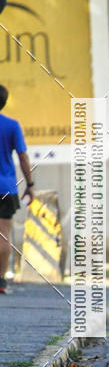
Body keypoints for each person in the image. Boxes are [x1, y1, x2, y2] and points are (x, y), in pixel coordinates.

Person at [0, 85, 34, 293]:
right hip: (6, 187)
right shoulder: (12, 126)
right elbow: (22, 156)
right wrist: (30, 185)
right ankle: (1, 281)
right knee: (3, 234)